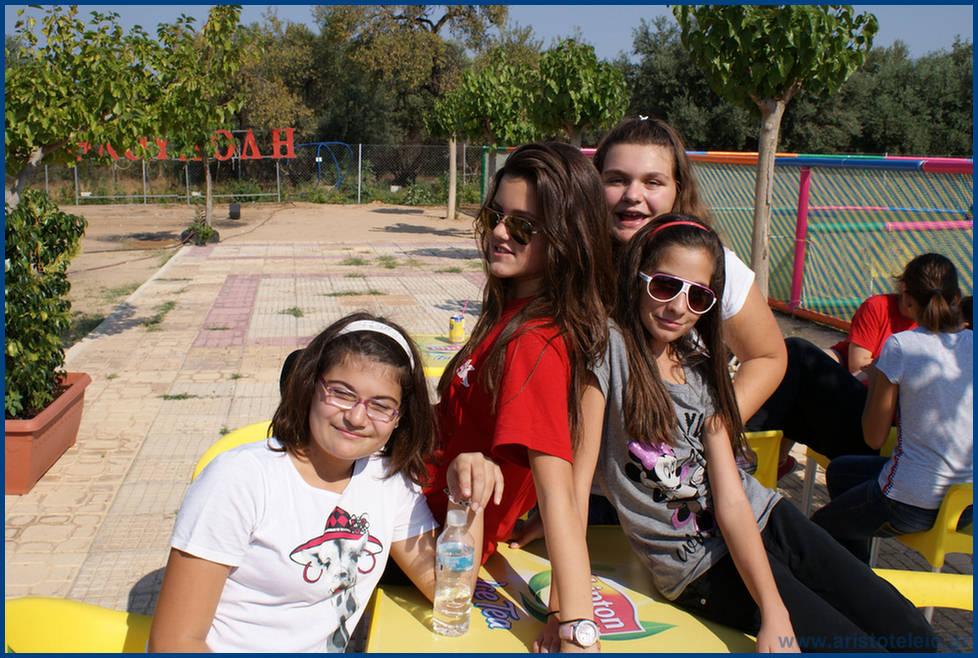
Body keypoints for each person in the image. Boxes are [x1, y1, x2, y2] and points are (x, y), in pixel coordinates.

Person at [589, 216, 936, 652]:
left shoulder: (698, 363)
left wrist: (775, 610)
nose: (678, 306)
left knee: (908, 627)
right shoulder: (610, 349)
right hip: (701, 563)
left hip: (763, 516)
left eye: (697, 296)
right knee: (853, 645)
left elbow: (733, 499)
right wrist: (774, 612)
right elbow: (577, 458)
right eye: (664, 285)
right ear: (637, 280)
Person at [148, 312, 500, 652]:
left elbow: (449, 592)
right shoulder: (239, 479)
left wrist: (464, 492)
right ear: (310, 385)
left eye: (380, 405)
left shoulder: (387, 481)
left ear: (399, 418)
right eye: (342, 393)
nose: (357, 417)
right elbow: (174, 643)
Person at [424, 142, 615, 652]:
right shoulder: (510, 310)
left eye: (524, 227)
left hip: (431, 540)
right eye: (494, 216)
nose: (500, 233)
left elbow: (558, 492)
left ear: (566, 239)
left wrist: (574, 625)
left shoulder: (534, 342)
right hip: (419, 508)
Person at [811, 254, 973, 562]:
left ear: (907, 299)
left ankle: (855, 581)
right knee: (841, 471)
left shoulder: (900, 346)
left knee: (816, 530)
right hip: (966, 506)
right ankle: (858, 568)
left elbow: (873, 437)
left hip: (911, 503)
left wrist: (878, 380)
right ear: (956, 298)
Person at [746, 255, 955, 461]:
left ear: (906, 292)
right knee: (795, 373)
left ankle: (753, 450)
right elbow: (859, 368)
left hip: (874, 424)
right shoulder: (954, 339)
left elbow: (864, 376)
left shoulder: (906, 344)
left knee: (796, 352)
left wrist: (882, 370)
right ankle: (766, 455)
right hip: (877, 416)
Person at [825, 288, 917, 377]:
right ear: (907, 296)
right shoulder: (877, 306)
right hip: (851, 367)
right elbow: (858, 366)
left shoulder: (924, 325)